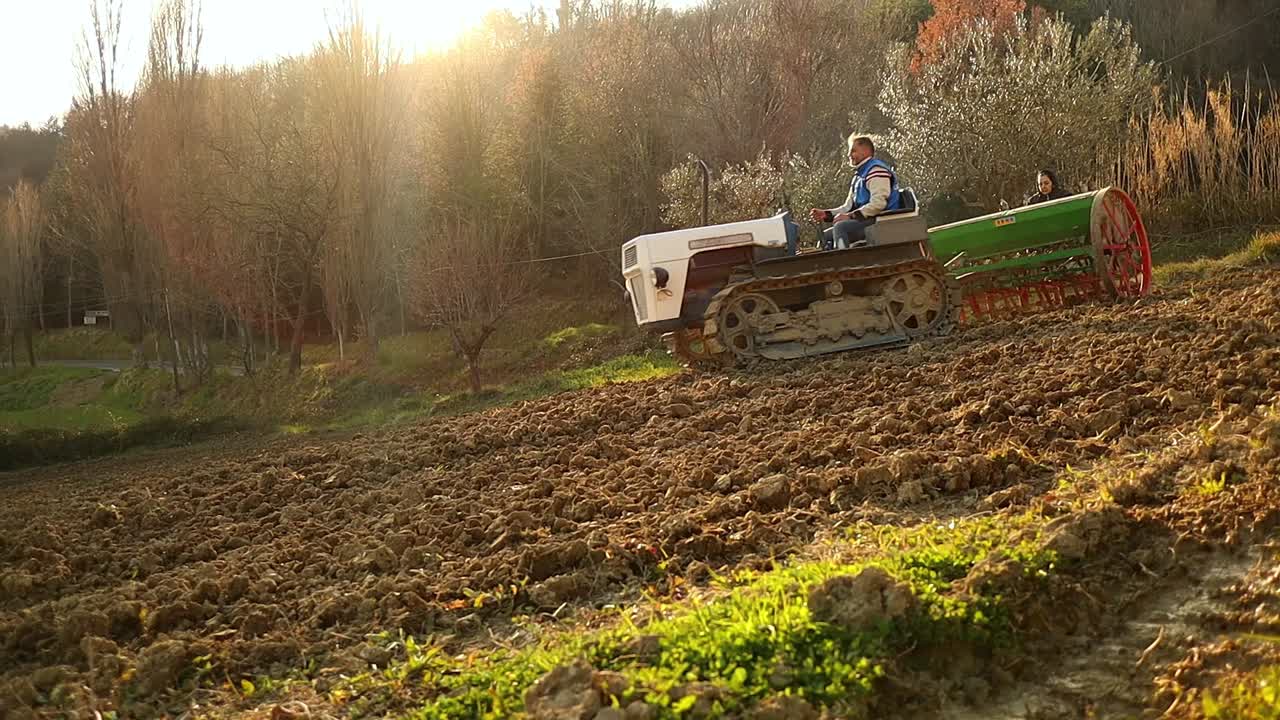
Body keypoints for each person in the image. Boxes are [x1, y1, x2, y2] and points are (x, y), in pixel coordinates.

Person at [807, 134, 901, 251]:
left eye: (853, 151)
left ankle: (845, 263)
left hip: (881, 221)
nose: (849, 155)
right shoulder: (859, 176)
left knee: (840, 228)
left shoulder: (876, 171)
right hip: (867, 220)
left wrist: (850, 216)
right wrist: (826, 214)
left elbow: (878, 204)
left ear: (865, 151)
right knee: (825, 236)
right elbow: (848, 207)